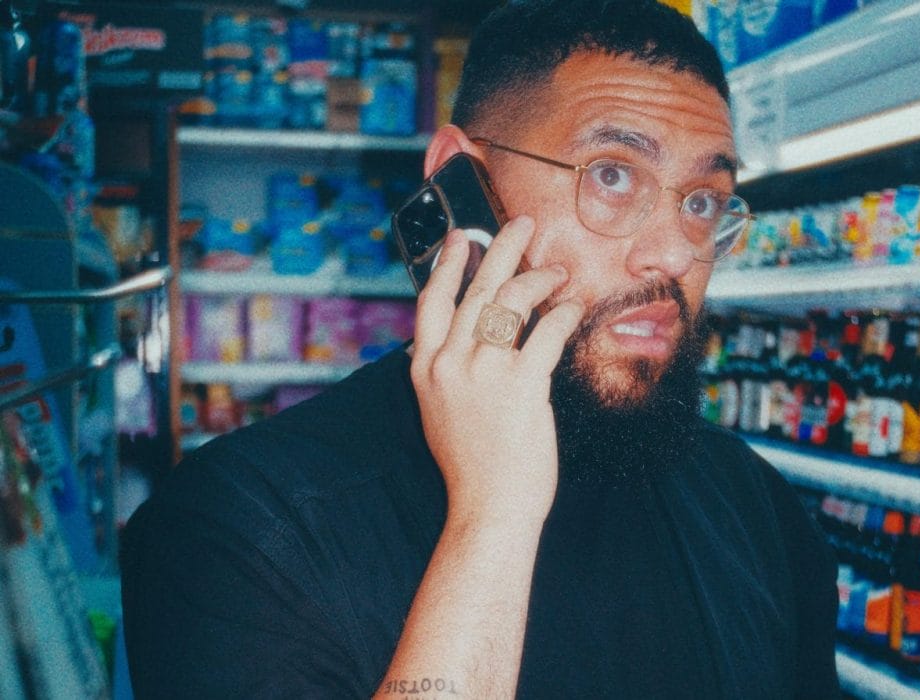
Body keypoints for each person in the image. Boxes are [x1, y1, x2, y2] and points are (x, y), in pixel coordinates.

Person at [120, 1, 839, 697]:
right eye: (613, 176)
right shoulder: (238, 529)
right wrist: (493, 517)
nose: (676, 255)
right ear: (461, 180)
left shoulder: (758, 508)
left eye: (703, 201)